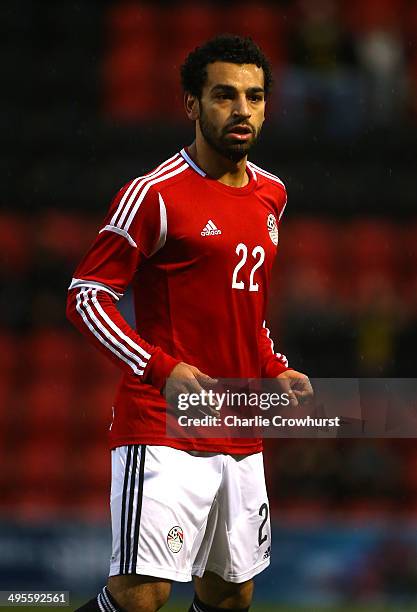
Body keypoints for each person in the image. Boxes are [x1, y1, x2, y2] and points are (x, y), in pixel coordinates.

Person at [67, 34, 312, 612]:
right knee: (141, 595)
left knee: (231, 595)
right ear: (192, 105)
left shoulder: (271, 194)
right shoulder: (154, 195)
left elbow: (242, 309)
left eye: (253, 97)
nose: (241, 110)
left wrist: (273, 368)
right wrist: (162, 368)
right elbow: (86, 297)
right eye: (224, 95)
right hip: (164, 424)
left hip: (238, 423)